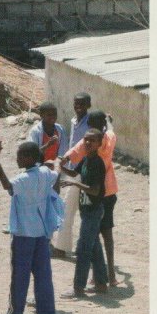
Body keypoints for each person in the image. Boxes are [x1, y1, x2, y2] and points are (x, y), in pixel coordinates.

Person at [0, 139, 58, 314]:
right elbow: (51, 172)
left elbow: (6, 184)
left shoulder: (23, 179)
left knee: (20, 275)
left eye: (20, 156)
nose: (17, 159)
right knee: (43, 274)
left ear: (28, 158)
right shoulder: (44, 173)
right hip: (41, 232)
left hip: (24, 233)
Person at [62, 110, 119, 285]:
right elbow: (111, 130)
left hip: (96, 196)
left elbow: (73, 152)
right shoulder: (107, 138)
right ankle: (108, 276)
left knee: (88, 241)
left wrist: (62, 161)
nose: (88, 141)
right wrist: (109, 122)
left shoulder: (90, 150)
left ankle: (87, 282)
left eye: (91, 139)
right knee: (103, 236)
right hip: (109, 192)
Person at [59, 129, 109, 297]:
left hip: (93, 211)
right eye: (86, 140)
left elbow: (95, 191)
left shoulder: (97, 163)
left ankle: (78, 288)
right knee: (94, 246)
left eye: (92, 141)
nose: (87, 143)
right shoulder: (86, 159)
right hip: (87, 210)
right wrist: (63, 168)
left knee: (83, 248)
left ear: (99, 144)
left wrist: (74, 184)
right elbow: (75, 173)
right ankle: (101, 283)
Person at [52, 92, 91, 257]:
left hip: (81, 171)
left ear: (88, 105)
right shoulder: (74, 121)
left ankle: (61, 248)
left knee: (68, 208)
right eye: (76, 104)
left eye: (82, 104)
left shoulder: (90, 123)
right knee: (73, 208)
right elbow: (72, 144)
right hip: (71, 169)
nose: (78, 107)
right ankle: (72, 247)